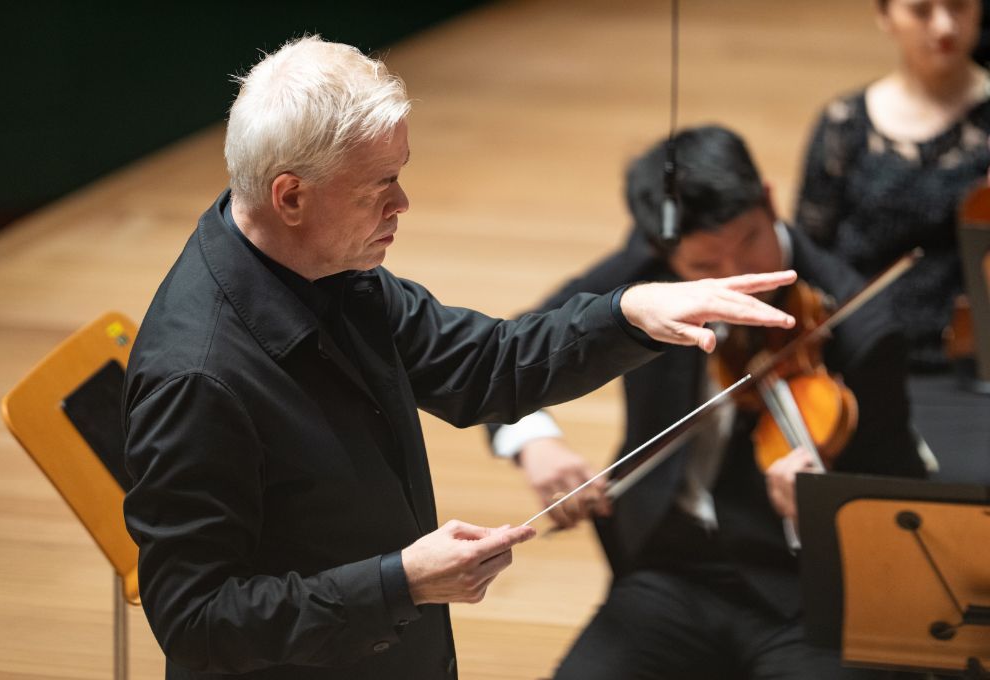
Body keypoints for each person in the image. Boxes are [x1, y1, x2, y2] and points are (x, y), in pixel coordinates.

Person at [122, 38, 798, 680]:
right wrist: (401, 582)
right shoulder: (198, 378)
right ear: (290, 196)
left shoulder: (323, 267)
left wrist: (627, 314)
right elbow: (195, 619)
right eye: (378, 186)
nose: (403, 204)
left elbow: (486, 368)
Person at [489, 125, 928, 680]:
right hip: (672, 568)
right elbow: (512, 358)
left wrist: (828, 502)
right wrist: (537, 441)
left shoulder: (863, 327)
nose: (735, 282)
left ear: (768, 201)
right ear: (661, 251)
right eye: (703, 268)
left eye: (749, 243)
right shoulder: (647, 276)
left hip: (807, 591)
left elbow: (904, 504)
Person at [795, 0, 990, 477]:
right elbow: (809, 252)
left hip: (968, 372)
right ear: (885, 17)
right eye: (921, 10)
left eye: (959, 6)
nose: (944, 26)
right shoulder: (844, 124)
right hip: (861, 358)